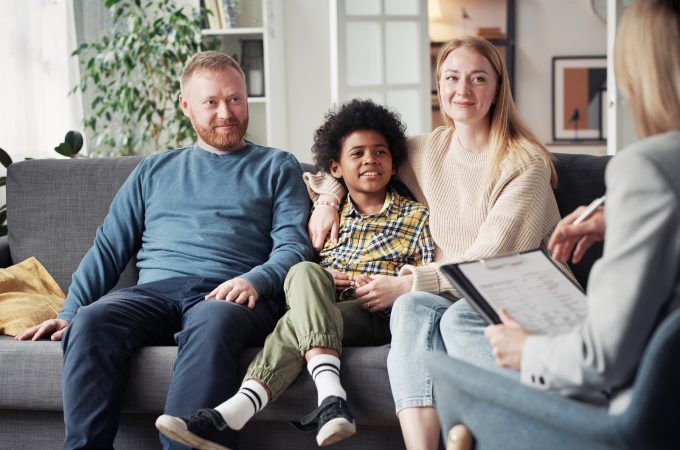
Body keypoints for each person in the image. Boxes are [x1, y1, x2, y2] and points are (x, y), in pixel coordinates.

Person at [15, 51, 313, 450]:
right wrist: (70, 313)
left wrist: (254, 280)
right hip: (155, 292)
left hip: (230, 294)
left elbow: (294, 245)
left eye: (236, 99)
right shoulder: (154, 171)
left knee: (213, 320)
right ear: (186, 106)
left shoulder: (277, 166)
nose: (226, 112)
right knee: (91, 321)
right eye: (211, 102)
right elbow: (107, 249)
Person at [306, 37, 570, 449]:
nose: (463, 90)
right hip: (458, 291)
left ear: (497, 89)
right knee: (411, 308)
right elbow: (350, 163)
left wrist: (410, 281)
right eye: (452, 78)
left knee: (444, 313)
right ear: (439, 86)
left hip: (519, 289)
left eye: (477, 79)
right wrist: (328, 199)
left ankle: (539, 419)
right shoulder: (428, 150)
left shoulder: (524, 163)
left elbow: (489, 257)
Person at [154, 98, 435, 450]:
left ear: (394, 164)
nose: (369, 160)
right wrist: (327, 267)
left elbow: (424, 276)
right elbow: (301, 239)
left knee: (295, 322)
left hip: (375, 310)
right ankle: (330, 399)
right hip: (324, 303)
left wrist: (393, 285)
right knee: (304, 270)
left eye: (380, 153)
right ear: (336, 167)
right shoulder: (322, 209)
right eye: (357, 154)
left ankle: (239, 410)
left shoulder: (416, 216)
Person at [479, 0, 680, 411]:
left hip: (642, 412)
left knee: (457, 355)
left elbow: (600, 359)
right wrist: (617, 214)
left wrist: (527, 352)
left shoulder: (645, 167)